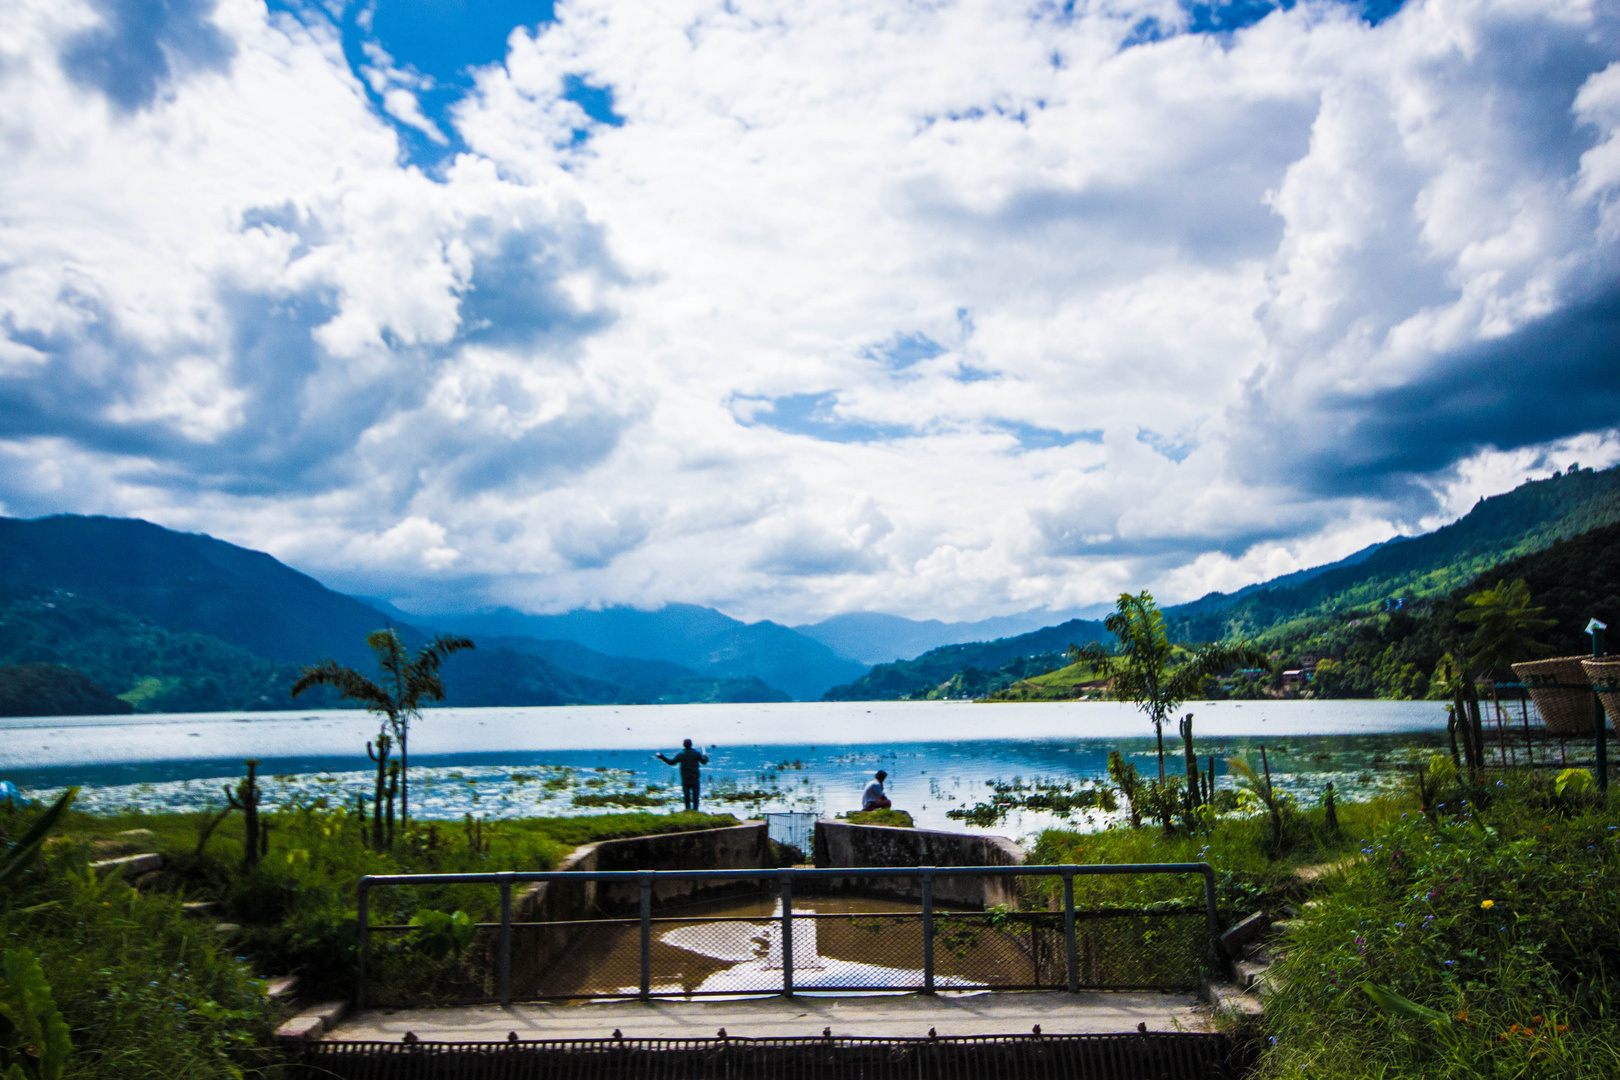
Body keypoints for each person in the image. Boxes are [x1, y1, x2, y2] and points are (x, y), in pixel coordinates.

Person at [657, 739, 709, 812]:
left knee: (686, 796)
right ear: (691, 744)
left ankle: (687, 810)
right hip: (695, 778)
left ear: (683, 745)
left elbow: (671, 762)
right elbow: (704, 762)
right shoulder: (696, 753)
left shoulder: (681, 754)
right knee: (695, 796)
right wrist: (705, 757)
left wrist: (662, 757)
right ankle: (695, 811)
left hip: (685, 778)